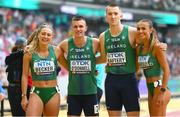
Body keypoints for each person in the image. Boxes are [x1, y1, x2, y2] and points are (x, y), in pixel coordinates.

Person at [97, 3, 140, 116]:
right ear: (106, 17)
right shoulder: (102, 36)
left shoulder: (132, 32)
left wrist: (160, 45)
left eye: (116, 13)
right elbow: (103, 58)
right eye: (110, 14)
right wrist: (90, 62)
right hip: (111, 81)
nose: (113, 16)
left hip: (129, 80)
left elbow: (148, 41)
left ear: (121, 15)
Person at [21, 23, 66, 116]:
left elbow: (69, 67)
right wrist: (24, 96)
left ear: (52, 37)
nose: (45, 36)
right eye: (43, 33)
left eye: (48, 35)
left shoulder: (56, 50)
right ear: (38, 35)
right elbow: (24, 76)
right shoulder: (29, 52)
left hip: (53, 93)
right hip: (36, 92)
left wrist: (91, 69)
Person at [58, 16, 100, 116]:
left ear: (86, 28)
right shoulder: (65, 44)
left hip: (91, 92)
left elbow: (108, 54)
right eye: (75, 26)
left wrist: (94, 63)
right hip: (73, 93)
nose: (78, 29)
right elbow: (55, 53)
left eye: (81, 26)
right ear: (72, 28)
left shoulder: (94, 42)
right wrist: (68, 67)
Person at [135, 19, 171, 116]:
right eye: (138, 29)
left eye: (143, 28)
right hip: (150, 88)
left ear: (151, 30)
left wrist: (162, 92)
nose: (140, 31)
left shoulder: (157, 47)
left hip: (159, 87)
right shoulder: (139, 48)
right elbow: (137, 70)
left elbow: (167, 70)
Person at [5, 37, 32, 116]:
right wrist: (22, 51)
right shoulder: (13, 56)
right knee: (17, 113)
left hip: (23, 88)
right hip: (14, 88)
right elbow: (7, 59)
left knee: (24, 112)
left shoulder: (26, 56)